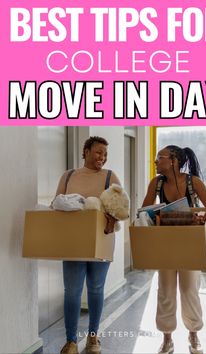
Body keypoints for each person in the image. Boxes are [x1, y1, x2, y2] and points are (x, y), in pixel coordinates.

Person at [142, 145, 206, 354]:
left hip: (190, 247)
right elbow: (144, 213)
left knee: (189, 290)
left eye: (160, 157)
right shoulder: (156, 183)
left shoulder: (193, 182)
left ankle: (193, 334)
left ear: (174, 160)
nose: (156, 161)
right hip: (165, 246)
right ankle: (167, 339)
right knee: (165, 291)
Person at [54, 136, 120, 354]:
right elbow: (57, 204)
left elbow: (121, 209)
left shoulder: (110, 177)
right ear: (86, 151)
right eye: (99, 152)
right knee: (72, 291)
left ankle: (93, 338)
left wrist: (114, 219)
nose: (103, 157)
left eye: (105, 154)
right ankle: (71, 340)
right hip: (73, 241)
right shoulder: (69, 176)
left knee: (96, 288)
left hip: (102, 240)